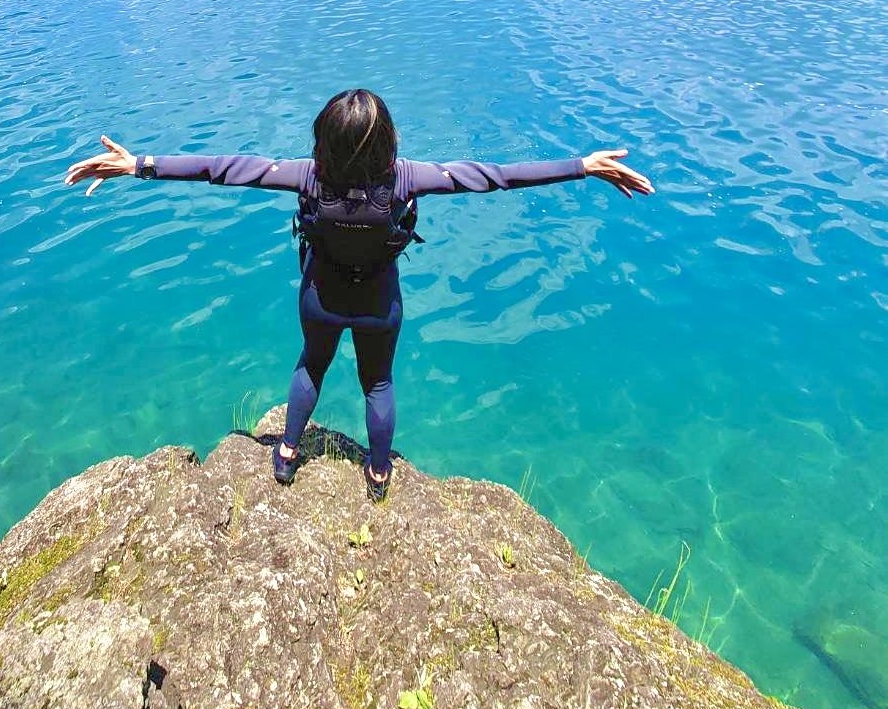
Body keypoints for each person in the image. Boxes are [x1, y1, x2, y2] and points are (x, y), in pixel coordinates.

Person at [64, 89, 653, 502]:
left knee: (311, 366)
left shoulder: (306, 177)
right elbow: (495, 176)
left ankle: (287, 454)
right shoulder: (407, 179)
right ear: (387, 142)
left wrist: (139, 164)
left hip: (320, 298)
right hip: (378, 306)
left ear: (323, 141)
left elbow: (223, 168)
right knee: (377, 382)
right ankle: (376, 472)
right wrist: (583, 166)